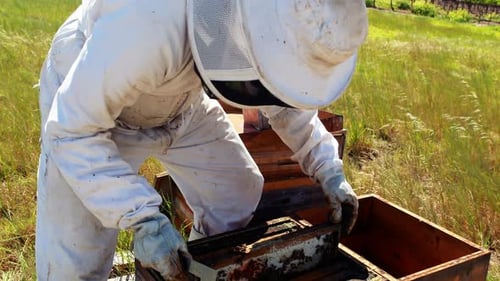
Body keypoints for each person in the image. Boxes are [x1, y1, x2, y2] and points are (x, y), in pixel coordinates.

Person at [36, 0, 368, 280]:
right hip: (90, 114)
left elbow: (281, 96)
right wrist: (144, 220)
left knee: (235, 191)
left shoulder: (263, 23)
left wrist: (329, 168)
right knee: (74, 262)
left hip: (182, 103)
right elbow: (70, 131)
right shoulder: (145, 24)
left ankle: (195, 270)